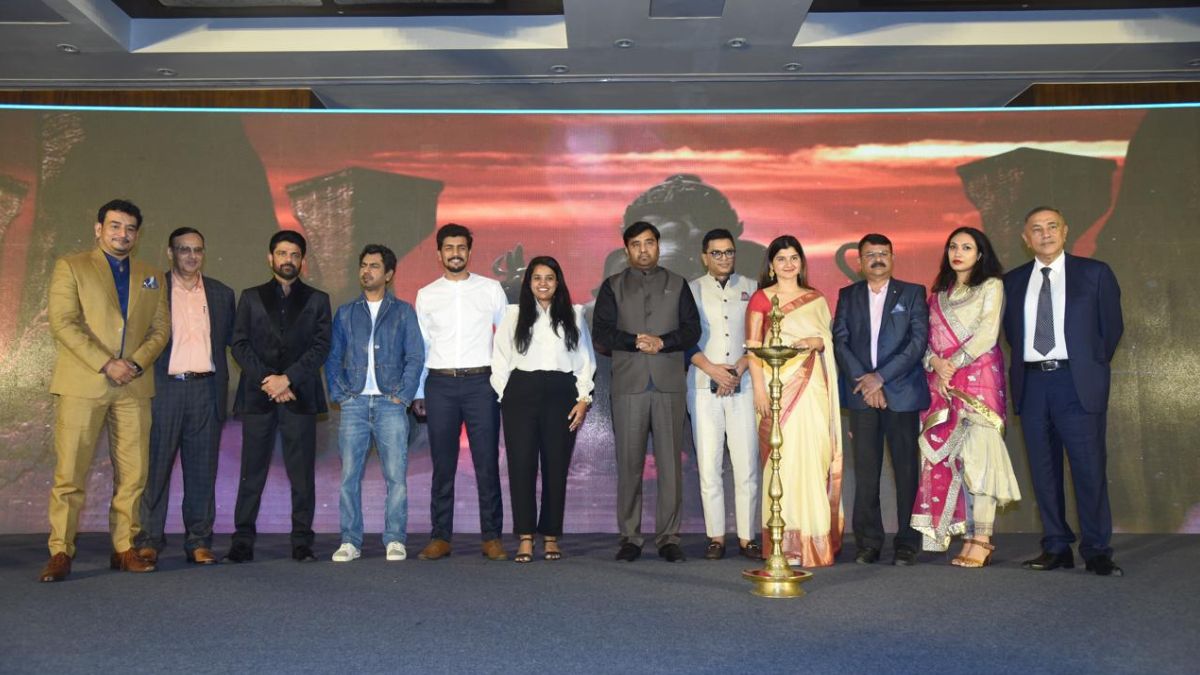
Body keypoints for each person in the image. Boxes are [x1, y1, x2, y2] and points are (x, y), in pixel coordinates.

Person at [40, 199, 170, 582]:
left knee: (134, 473)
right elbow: (63, 322)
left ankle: (124, 548)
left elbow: (161, 328)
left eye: (130, 228)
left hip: (134, 385)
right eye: (115, 226)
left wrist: (135, 363)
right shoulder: (71, 266)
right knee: (70, 473)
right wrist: (106, 362)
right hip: (84, 382)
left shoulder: (152, 276)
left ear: (137, 234)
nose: (122, 234)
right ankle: (60, 550)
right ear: (99, 229)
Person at [1002, 207, 1124, 576]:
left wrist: (1087, 366)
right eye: (1036, 229)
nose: (1045, 234)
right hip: (1033, 384)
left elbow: (1111, 329)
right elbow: (1012, 335)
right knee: (1044, 471)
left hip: (1076, 383)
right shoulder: (1012, 281)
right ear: (1026, 239)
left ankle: (1097, 550)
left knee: (1089, 469)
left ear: (1065, 231)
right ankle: (1056, 547)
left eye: (1052, 226)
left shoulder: (1095, 273)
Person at [912, 227, 1021, 567]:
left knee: (980, 459)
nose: (958, 253)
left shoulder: (991, 286)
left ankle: (982, 539)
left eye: (967, 247)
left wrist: (952, 365)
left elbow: (988, 334)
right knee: (954, 461)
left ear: (980, 254)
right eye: (953, 247)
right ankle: (968, 536)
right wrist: (936, 364)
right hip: (942, 385)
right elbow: (926, 342)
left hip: (978, 382)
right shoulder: (938, 295)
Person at [593, 221, 700, 563]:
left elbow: (692, 330)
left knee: (670, 466)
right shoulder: (613, 286)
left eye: (649, 243)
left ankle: (669, 537)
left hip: (668, 384)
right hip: (629, 385)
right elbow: (602, 333)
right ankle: (630, 537)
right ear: (627, 250)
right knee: (629, 465)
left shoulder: (677, 283)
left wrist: (663, 342)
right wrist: (635, 341)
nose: (643, 250)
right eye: (636, 244)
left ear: (658, 245)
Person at [226, 230, 332, 563]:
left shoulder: (317, 299)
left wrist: (287, 379)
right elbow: (239, 344)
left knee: (301, 475)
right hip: (259, 398)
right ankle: (242, 541)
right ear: (270, 257)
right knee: (252, 471)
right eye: (282, 253)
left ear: (302, 260)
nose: (288, 260)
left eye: (295, 255)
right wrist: (269, 381)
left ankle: (302, 542)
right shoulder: (251, 297)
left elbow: (321, 347)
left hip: (299, 397)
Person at [134, 227, 235, 566]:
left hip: (206, 389)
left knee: (202, 470)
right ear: (170, 253)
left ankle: (199, 541)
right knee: (156, 468)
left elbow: (232, 343)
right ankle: (148, 540)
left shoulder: (221, 294)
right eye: (184, 249)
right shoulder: (152, 289)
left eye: (197, 250)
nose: (192, 256)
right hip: (165, 389)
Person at [413, 223, 510, 562]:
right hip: (439, 384)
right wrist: (418, 390)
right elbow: (422, 346)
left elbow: (506, 340)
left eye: (461, 247)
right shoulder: (426, 295)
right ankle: (440, 537)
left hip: (481, 384)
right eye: (449, 248)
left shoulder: (491, 289)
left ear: (469, 251)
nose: (455, 253)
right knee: (443, 465)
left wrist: (502, 384)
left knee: (486, 463)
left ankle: (492, 537)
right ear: (439, 253)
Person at [831, 233, 929, 566]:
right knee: (866, 472)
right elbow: (840, 341)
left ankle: (907, 543)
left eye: (883, 253)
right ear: (860, 262)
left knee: (906, 472)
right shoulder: (848, 296)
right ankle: (868, 542)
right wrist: (868, 383)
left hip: (901, 393)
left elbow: (917, 343)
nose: (877, 259)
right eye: (870, 254)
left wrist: (881, 378)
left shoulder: (913, 293)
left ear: (892, 258)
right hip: (863, 395)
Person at [746, 235, 843, 568]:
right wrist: (759, 390)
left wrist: (818, 341)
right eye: (781, 259)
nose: (788, 264)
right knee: (782, 461)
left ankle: (814, 539)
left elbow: (828, 341)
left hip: (813, 387)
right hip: (775, 389)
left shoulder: (816, 299)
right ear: (771, 265)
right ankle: (783, 542)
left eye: (794, 258)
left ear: (801, 263)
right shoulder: (761, 299)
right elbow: (753, 349)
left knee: (813, 458)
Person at [491, 256, 595, 563]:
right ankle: (525, 537)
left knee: (556, 466)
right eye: (537, 278)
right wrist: (506, 395)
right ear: (529, 283)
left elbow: (585, 360)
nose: (543, 283)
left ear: (558, 282)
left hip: (561, 393)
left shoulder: (574, 315)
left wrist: (583, 398)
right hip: (521, 393)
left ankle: (550, 536)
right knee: (521, 465)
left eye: (549, 277)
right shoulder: (514, 315)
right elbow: (499, 358)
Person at [326, 245, 424, 563]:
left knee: (396, 477)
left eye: (374, 266)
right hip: (354, 404)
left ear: (389, 274)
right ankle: (350, 541)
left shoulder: (403, 311)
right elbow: (333, 357)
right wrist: (342, 395)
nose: (366, 271)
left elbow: (415, 357)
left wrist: (402, 396)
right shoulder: (345, 313)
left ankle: (394, 539)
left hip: (390, 404)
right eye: (363, 265)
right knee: (349, 477)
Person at [686, 228, 761, 560]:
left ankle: (747, 537)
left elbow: (762, 336)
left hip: (743, 386)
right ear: (704, 257)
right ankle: (715, 537)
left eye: (729, 252)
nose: (724, 258)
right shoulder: (690, 290)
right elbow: (684, 338)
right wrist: (713, 369)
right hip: (704, 386)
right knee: (709, 466)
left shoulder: (753, 288)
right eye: (716, 253)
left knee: (746, 467)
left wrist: (742, 365)